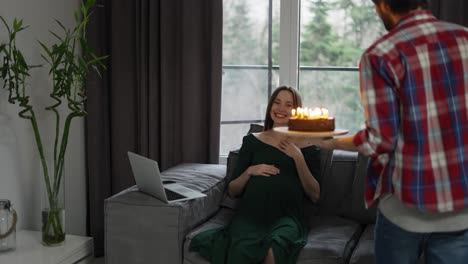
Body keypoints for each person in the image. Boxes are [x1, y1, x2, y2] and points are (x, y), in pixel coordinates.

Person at [318, 0, 468, 263]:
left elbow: (380, 140)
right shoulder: (464, 38)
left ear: (384, 5)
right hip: (460, 211)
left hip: (404, 210)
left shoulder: (381, 55)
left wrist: (332, 143)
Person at [189, 86, 321, 264]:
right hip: (250, 215)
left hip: (286, 217)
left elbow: (315, 194)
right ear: (270, 107)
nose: (281, 109)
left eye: (288, 105)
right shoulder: (252, 140)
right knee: (241, 248)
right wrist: (250, 171)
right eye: (277, 102)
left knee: (276, 247)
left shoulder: (308, 144)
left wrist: (298, 157)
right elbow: (233, 190)